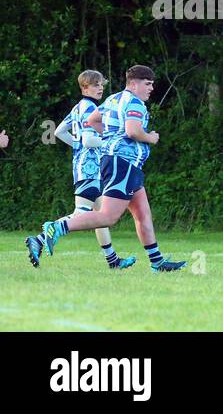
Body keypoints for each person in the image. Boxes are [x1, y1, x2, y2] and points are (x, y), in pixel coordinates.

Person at [25, 65, 186, 272]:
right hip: (123, 163)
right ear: (134, 84)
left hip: (123, 164)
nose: (151, 89)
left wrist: (111, 134)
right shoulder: (135, 103)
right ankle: (55, 228)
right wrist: (150, 137)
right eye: (148, 84)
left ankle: (157, 262)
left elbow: (93, 121)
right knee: (107, 217)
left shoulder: (113, 99)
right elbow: (133, 131)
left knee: (143, 214)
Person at [50, 70, 136, 268]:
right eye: (95, 85)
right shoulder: (89, 108)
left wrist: (77, 144)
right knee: (81, 214)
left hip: (88, 168)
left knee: (100, 216)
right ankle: (45, 234)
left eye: (101, 85)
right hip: (89, 169)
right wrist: (110, 142)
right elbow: (89, 140)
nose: (100, 88)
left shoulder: (79, 107)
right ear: (84, 88)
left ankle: (113, 260)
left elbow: (58, 132)